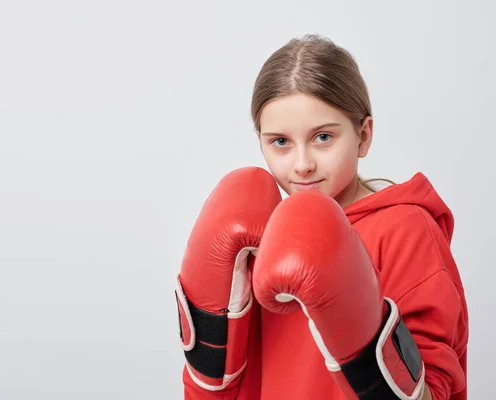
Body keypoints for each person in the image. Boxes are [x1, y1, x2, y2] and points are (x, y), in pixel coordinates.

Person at [175, 34, 468, 399]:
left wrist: (363, 340)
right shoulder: (254, 240)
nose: (303, 164)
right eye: (280, 142)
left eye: (323, 137)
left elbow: (433, 393)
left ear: (363, 136)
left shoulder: (406, 231)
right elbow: (215, 390)